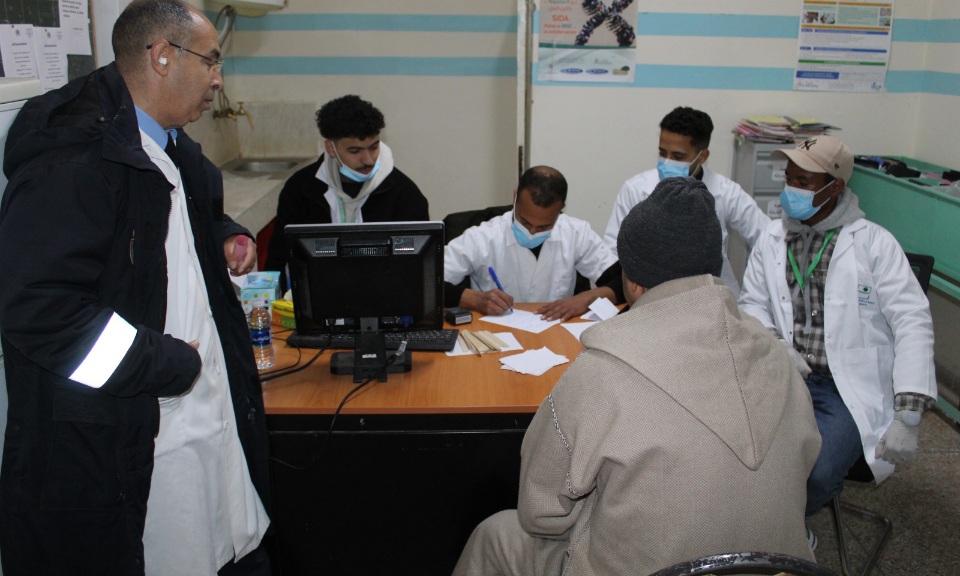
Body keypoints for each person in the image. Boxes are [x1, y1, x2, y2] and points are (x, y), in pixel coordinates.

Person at [0, 1, 271, 574]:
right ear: (163, 56)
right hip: (122, 441)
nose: (219, 80)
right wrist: (163, 363)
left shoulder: (169, 145)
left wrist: (223, 235)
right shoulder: (74, 160)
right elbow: (39, 311)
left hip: (199, 423)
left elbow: (159, 227)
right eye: (211, 61)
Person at [452, 177, 821, 576]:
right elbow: (805, 462)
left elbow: (541, 513)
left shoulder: (600, 371)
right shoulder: (778, 356)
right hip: (776, 569)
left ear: (630, 279)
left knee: (497, 533)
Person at [738, 135, 937, 522]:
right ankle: (763, 523)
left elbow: (912, 321)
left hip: (845, 389)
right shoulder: (772, 238)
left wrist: (909, 412)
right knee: (734, 452)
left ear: (835, 187)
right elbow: (752, 304)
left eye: (803, 182)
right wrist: (778, 345)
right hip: (783, 375)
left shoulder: (875, 244)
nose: (791, 189)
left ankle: (789, 532)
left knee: (816, 474)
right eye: (789, 178)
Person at [604, 106, 769, 295]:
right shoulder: (635, 189)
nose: (667, 161)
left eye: (678, 156)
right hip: (650, 295)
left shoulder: (726, 193)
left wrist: (756, 296)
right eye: (662, 153)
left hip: (712, 294)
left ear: (703, 156)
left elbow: (767, 240)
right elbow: (613, 250)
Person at [264, 94, 429, 280]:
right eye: (355, 151)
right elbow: (279, 258)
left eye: (374, 147)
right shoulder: (301, 189)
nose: (368, 160)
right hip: (318, 289)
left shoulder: (404, 193)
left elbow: (417, 267)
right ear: (331, 148)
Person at [444, 165, 619, 320]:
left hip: (554, 333)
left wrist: (586, 299)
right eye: (525, 222)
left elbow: (624, 282)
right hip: (493, 334)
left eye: (544, 226)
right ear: (515, 197)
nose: (532, 232)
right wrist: (475, 299)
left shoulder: (577, 234)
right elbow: (428, 282)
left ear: (561, 208)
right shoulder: (481, 238)